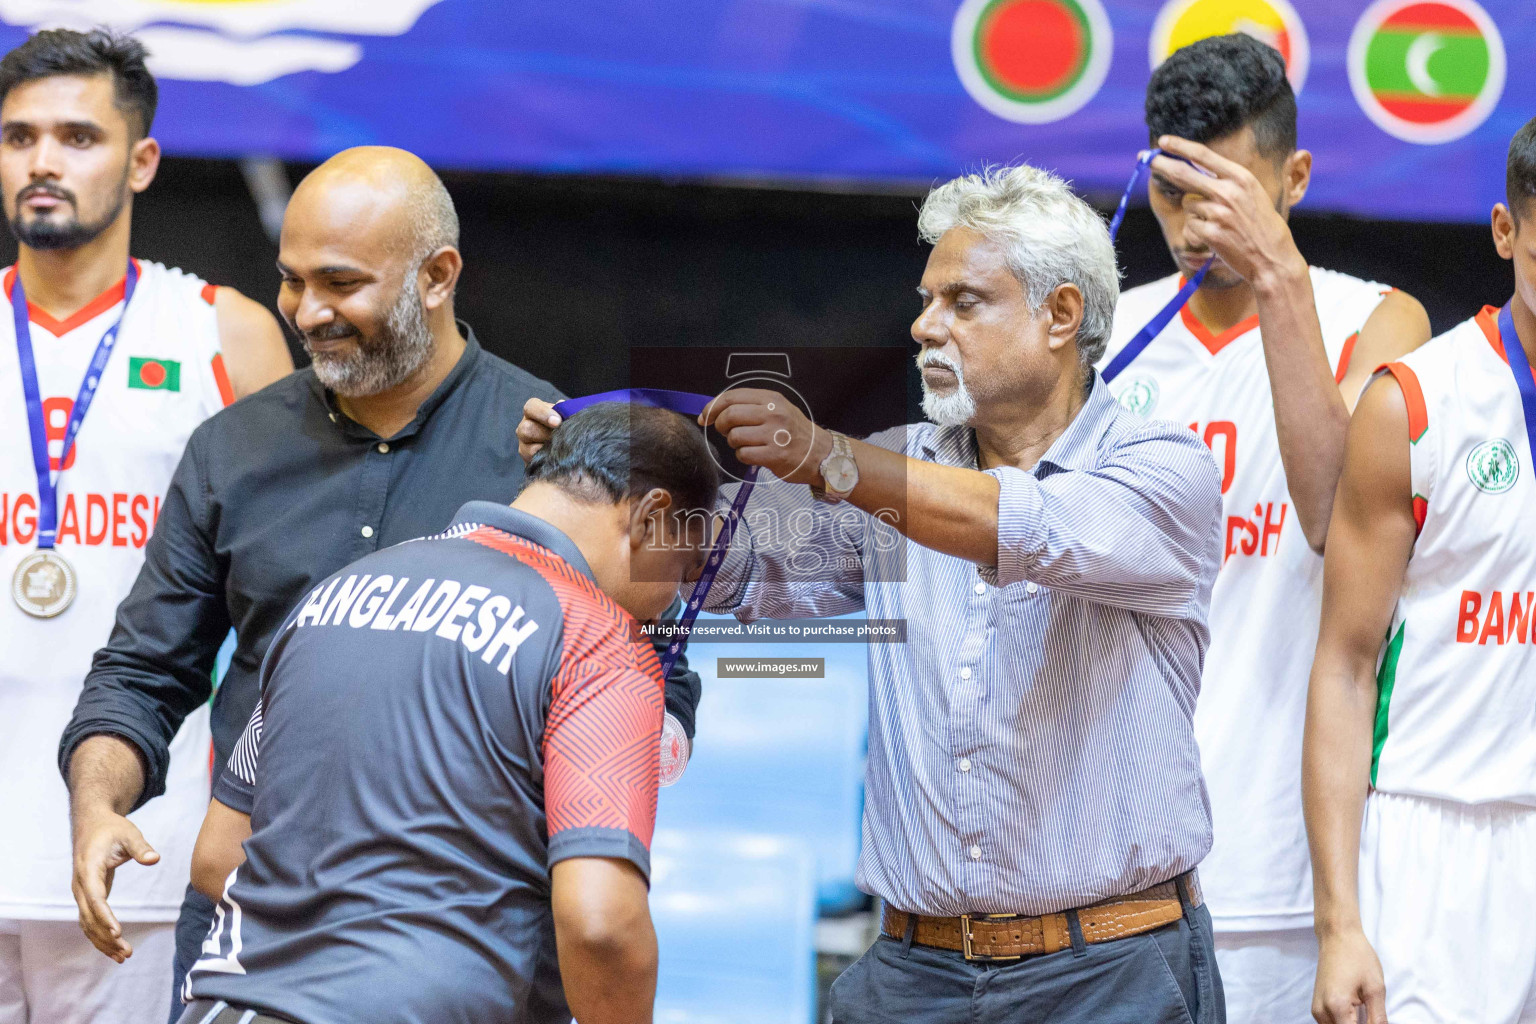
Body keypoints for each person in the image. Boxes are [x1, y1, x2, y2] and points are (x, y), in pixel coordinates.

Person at [524, 164, 1227, 1022]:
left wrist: (831, 459)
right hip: (912, 974)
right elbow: (734, 564)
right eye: (927, 300)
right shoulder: (904, 466)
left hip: (1106, 974)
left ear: (1061, 316)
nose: (924, 326)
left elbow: (1021, 524)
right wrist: (593, 475)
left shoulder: (1160, 469)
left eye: (963, 302)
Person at [57, 146, 703, 1022]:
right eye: (290, 282)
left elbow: (648, 667)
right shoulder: (233, 449)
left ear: (438, 276)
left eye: (340, 283)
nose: (307, 312)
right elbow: (142, 671)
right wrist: (97, 808)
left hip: (471, 949)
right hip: (251, 932)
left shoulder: (546, 450)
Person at [173, 402, 714, 1024]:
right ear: (652, 518)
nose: (670, 602)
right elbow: (600, 924)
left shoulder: (333, 593)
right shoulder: (600, 638)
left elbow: (219, 856)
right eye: (686, 567)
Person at [1095, 34, 1432, 1023]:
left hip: (1299, 877)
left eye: (1228, 193)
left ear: (1294, 178)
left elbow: (1330, 515)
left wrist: (1277, 275)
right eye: (1171, 193)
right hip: (1117, 873)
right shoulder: (1103, 339)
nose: (1198, 224)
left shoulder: (1384, 322)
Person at [0, 28, 290, 1024]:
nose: (42, 160)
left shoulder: (224, 333)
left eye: (77, 136)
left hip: (145, 854)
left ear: (141, 160)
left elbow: (302, 590)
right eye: (19, 136)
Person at [1304, 118, 1536, 1024]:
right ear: (1506, 231)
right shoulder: (1418, 402)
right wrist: (1339, 926)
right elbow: (1344, 665)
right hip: (1441, 837)